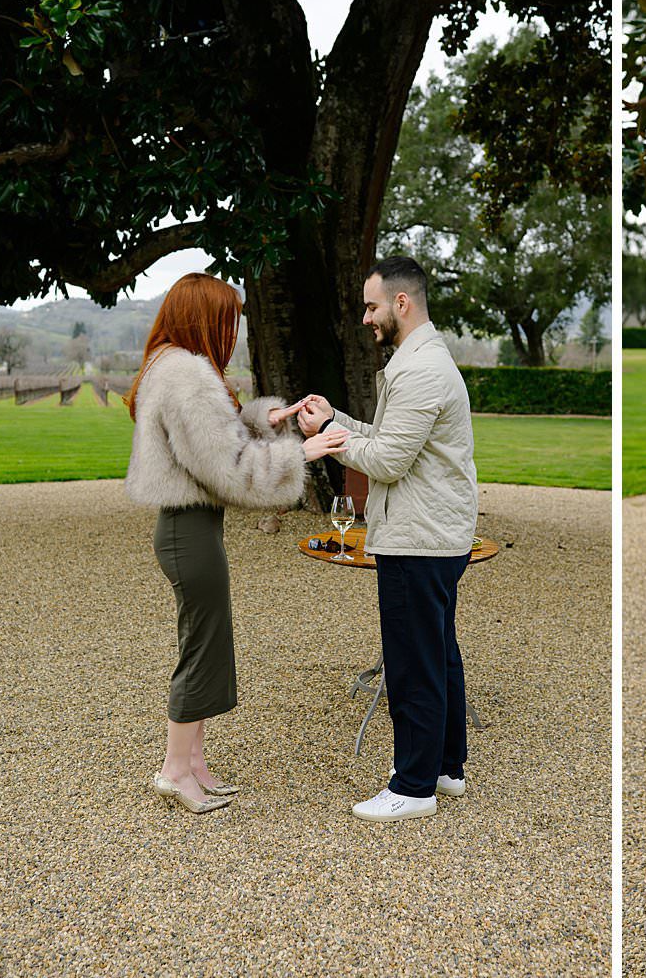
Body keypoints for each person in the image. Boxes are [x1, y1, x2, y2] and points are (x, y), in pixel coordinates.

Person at [122, 272, 350, 814]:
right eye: (229, 321)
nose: (233, 333)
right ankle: (175, 770)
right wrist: (305, 452)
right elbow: (228, 468)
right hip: (188, 531)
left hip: (189, 529)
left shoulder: (168, 363)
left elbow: (213, 438)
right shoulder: (188, 375)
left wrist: (264, 418)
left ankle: (195, 762)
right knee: (201, 648)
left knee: (208, 641)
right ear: (206, 319)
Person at [294, 256, 478, 823]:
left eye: (372, 307)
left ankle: (413, 786)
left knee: (412, 662)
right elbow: (389, 437)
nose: (366, 318)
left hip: (419, 537)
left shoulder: (419, 369)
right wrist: (338, 418)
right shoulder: (419, 360)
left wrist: (326, 436)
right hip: (435, 533)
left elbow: (390, 460)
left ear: (402, 303)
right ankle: (446, 768)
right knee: (438, 653)